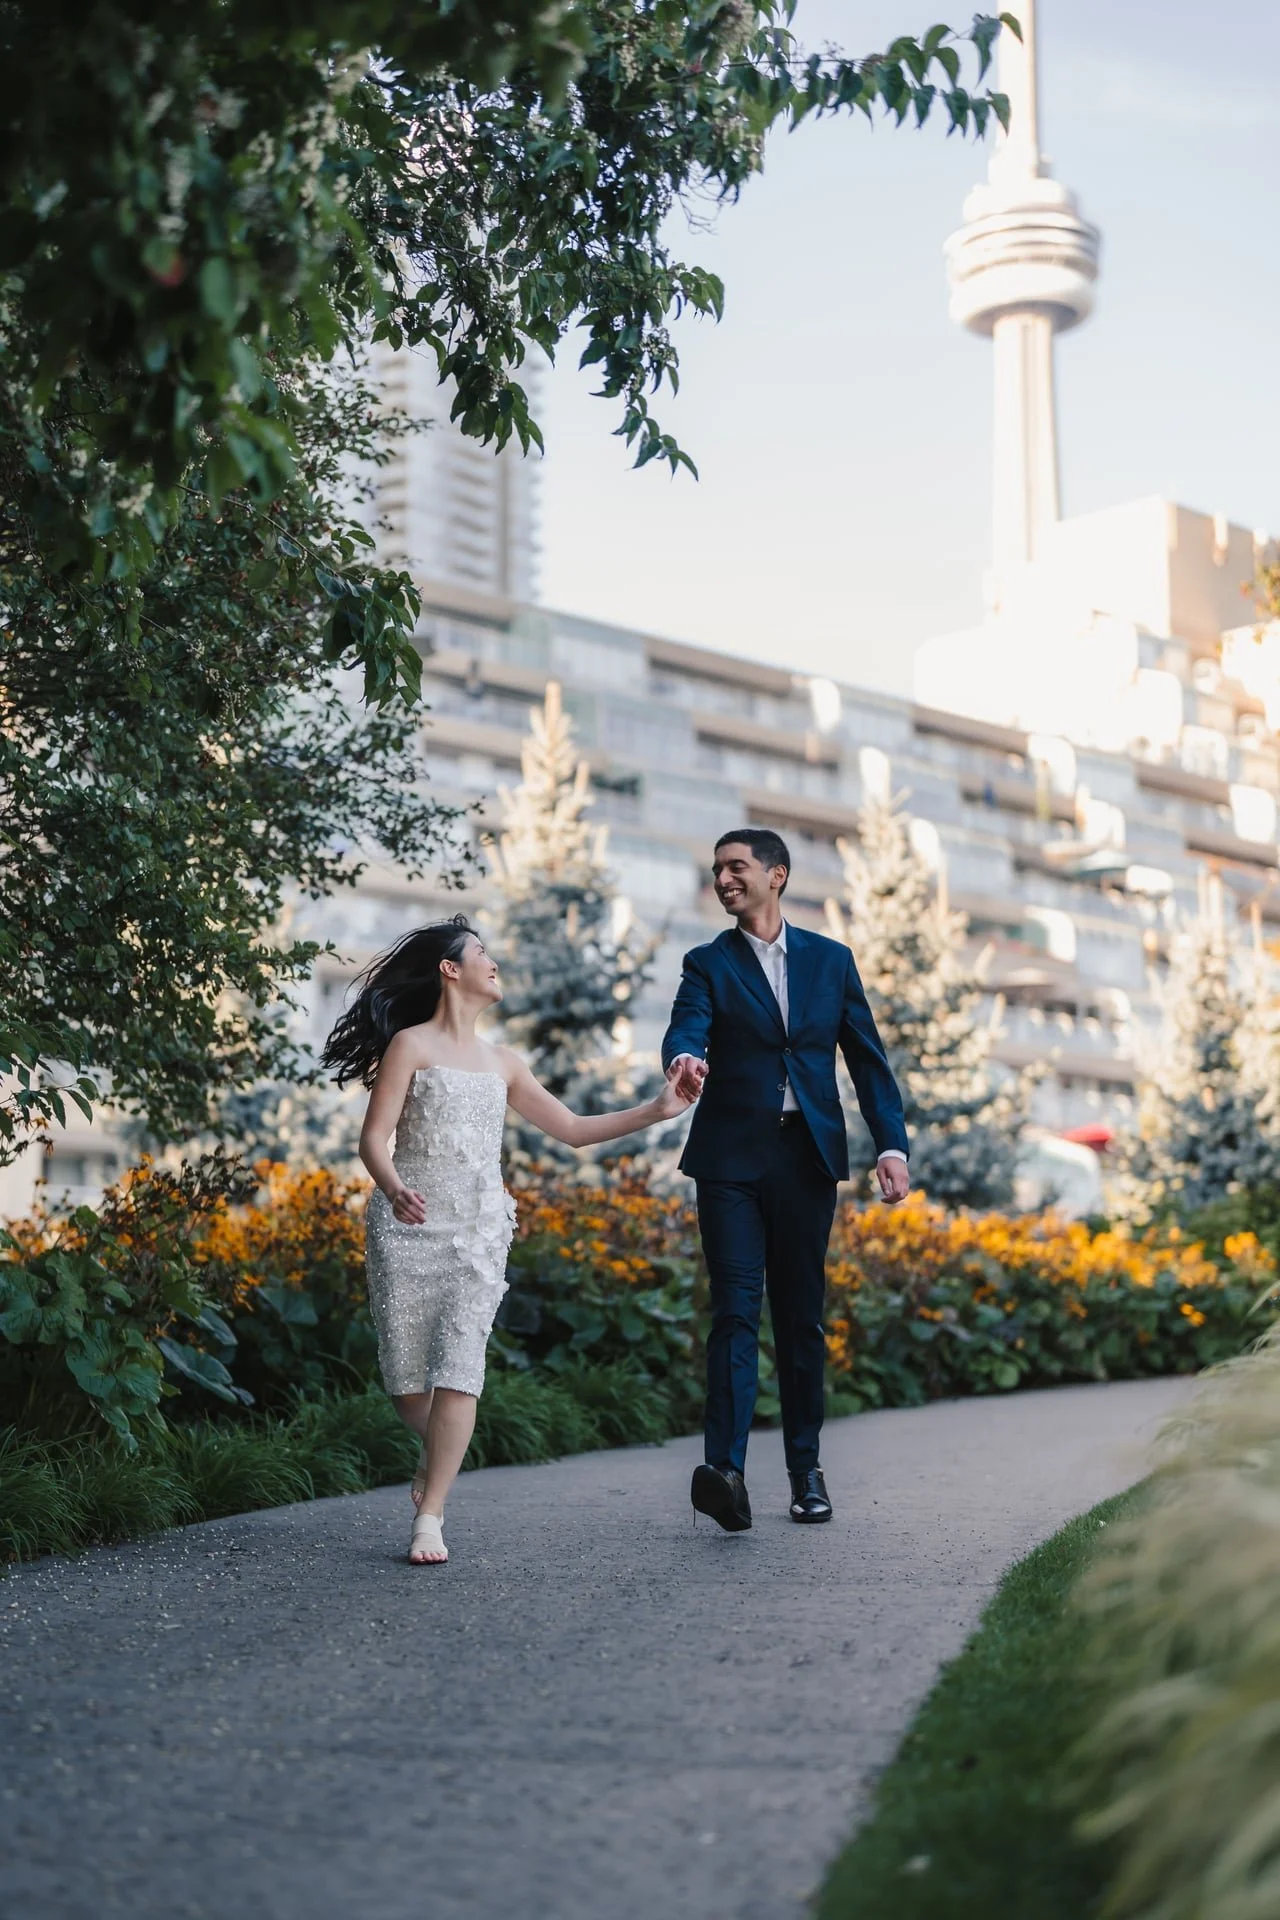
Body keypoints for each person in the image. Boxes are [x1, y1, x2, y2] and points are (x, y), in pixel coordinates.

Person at [322, 915, 695, 1566]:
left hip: (478, 1230)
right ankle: (435, 1456)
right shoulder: (410, 1046)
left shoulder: (504, 1063)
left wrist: (657, 1110)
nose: (493, 963)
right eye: (482, 954)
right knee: (409, 1386)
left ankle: (429, 1517)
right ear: (451, 969)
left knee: (460, 1372)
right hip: (406, 1224)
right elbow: (373, 1139)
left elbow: (574, 1129)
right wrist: (391, 1187)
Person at [662, 829, 909, 1533]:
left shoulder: (832, 962)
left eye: (737, 867)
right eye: (717, 869)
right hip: (729, 1161)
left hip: (805, 1159)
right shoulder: (706, 963)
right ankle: (727, 1474)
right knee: (735, 1312)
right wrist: (683, 1059)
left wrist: (891, 1145)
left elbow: (868, 1061)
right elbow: (688, 1025)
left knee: (799, 1320)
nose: (724, 878)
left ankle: (807, 1471)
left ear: (778, 875)